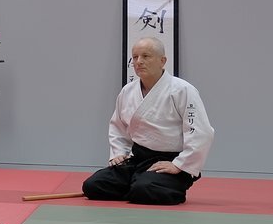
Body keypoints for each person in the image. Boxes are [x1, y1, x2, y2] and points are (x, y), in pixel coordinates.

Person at [82, 37, 214, 205]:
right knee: (93, 186)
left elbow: (201, 132)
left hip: (171, 161)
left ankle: (165, 185)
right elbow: (118, 126)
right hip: (138, 159)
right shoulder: (128, 91)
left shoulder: (183, 90)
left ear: (162, 61)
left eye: (146, 56)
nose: (139, 62)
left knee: (144, 189)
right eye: (135, 57)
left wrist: (180, 164)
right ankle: (138, 183)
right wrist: (119, 153)